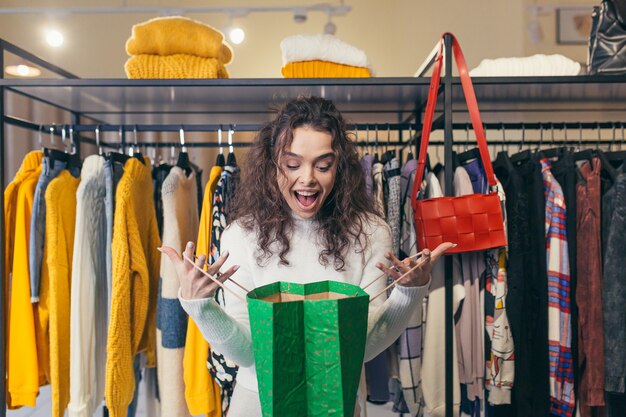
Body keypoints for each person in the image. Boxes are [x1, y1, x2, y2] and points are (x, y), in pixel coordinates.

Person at [160, 95, 453, 417]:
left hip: (335, 404)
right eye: (292, 164)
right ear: (273, 165)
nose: (308, 178)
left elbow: (363, 349)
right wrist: (199, 305)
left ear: (339, 167)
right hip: (256, 405)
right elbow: (246, 353)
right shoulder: (241, 235)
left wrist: (409, 293)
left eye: (323, 165)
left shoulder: (371, 233)